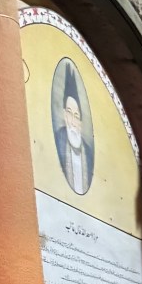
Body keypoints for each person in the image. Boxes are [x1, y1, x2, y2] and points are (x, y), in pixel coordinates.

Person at [53, 62, 94, 195]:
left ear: (80, 122)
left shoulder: (87, 150)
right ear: (64, 115)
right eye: (70, 113)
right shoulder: (59, 139)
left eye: (76, 116)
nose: (73, 122)